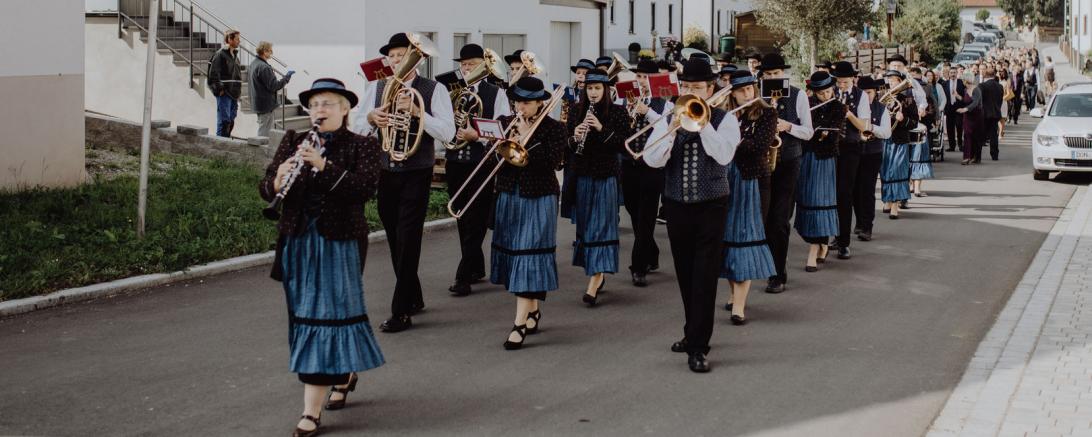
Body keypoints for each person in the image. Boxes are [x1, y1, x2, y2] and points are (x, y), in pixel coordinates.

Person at [259, 78, 385, 437]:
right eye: (314, 105)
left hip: (339, 241)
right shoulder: (292, 141)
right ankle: (343, 373)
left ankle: (310, 412)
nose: (320, 111)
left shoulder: (362, 146)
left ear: (345, 109)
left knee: (326, 315)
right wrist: (278, 178)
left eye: (328, 103)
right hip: (298, 241)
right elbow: (267, 185)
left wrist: (323, 166)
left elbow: (363, 190)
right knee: (303, 316)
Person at [354, 32, 457, 333]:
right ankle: (413, 295)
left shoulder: (432, 89)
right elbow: (358, 128)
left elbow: (448, 133)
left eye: (403, 55)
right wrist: (372, 118)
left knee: (409, 238)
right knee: (394, 235)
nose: (397, 61)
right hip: (386, 171)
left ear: (416, 58)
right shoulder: (377, 86)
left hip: (417, 171)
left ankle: (401, 312)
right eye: (393, 56)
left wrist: (417, 113)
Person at [643, 57, 741, 373]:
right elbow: (652, 160)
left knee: (704, 275)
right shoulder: (669, 115)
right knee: (686, 273)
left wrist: (703, 124)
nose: (689, 92)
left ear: (710, 88)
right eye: (685, 86)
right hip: (676, 204)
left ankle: (698, 347)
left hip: (712, 204)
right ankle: (691, 332)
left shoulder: (726, 119)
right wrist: (671, 129)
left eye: (696, 87)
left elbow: (723, 155)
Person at [491, 76, 567, 350]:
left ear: (539, 103)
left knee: (528, 253)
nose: (520, 108)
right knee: (518, 256)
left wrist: (525, 140)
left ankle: (518, 324)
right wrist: (502, 142)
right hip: (510, 195)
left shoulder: (555, 129)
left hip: (540, 197)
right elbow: (492, 159)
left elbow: (552, 162)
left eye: (527, 103)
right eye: (518, 102)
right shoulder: (504, 122)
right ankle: (532, 311)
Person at [445, 43, 512, 297]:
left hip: (481, 162)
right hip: (456, 161)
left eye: (471, 64)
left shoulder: (495, 93)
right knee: (462, 216)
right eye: (463, 65)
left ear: (483, 67)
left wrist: (477, 135)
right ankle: (476, 265)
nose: (465, 69)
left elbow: (502, 129)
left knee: (477, 217)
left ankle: (463, 276)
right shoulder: (454, 92)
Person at [719, 70, 777, 325]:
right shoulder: (723, 115)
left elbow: (758, 146)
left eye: (750, 89)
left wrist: (729, 139)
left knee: (746, 238)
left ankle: (739, 306)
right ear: (732, 93)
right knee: (728, 239)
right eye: (742, 90)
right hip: (725, 181)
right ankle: (734, 293)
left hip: (753, 180)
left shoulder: (767, 114)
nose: (747, 93)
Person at [567, 69, 628, 306]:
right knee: (585, 225)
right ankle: (596, 271)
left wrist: (601, 129)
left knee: (601, 226)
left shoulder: (618, 112)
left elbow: (623, 144)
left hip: (606, 175)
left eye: (597, 88)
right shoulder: (575, 111)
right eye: (589, 88)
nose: (593, 93)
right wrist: (575, 135)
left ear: (606, 90)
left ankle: (594, 280)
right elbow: (567, 146)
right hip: (582, 174)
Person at [758, 52, 814, 294]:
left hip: (789, 160)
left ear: (784, 74)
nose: (772, 77)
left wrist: (787, 126)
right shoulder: (757, 95)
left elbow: (808, 132)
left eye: (776, 74)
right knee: (764, 218)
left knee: (780, 219)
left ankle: (777, 273)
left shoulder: (798, 94)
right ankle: (762, 265)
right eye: (768, 74)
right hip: (761, 162)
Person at [622, 59, 672, 287]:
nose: (640, 81)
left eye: (645, 77)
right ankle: (650, 252)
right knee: (633, 211)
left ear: (654, 80)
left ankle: (638, 266)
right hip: (629, 163)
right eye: (638, 77)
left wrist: (647, 112)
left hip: (653, 166)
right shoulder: (625, 98)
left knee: (646, 216)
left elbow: (667, 128)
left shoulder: (666, 103)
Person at [795, 71, 844, 271]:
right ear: (814, 93)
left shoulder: (839, 107)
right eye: (821, 93)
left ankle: (814, 251)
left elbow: (834, 136)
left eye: (828, 91)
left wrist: (822, 133)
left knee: (820, 201)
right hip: (807, 157)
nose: (825, 96)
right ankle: (822, 242)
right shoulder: (807, 104)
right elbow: (802, 131)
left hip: (825, 160)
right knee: (806, 200)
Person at [830, 61, 870, 260]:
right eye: (839, 82)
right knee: (829, 195)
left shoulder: (861, 96)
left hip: (850, 148)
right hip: (829, 148)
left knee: (844, 195)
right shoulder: (831, 92)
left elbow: (863, 126)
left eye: (845, 82)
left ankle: (843, 242)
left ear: (853, 79)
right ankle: (833, 235)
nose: (841, 86)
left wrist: (847, 113)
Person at [853, 76, 892, 242]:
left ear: (875, 92)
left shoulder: (881, 109)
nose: (866, 95)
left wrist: (869, 128)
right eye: (862, 92)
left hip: (873, 153)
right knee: (854, 190)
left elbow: (886, 132)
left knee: (867, 190)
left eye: (869, 92)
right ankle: (860, 221)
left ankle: (867, 226)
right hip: (854, 151)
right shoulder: (853, 107)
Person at [879, 70, 917, 219]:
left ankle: (895, 204)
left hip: (900, 140)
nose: (891, 83)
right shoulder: (881, 99)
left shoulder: (907, 100)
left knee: (897, 172)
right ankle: (887, 200)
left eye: (895, 80)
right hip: (885, 140)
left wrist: (903, 119)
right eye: (890, 80)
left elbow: (914, 122)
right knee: (885, 171)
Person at [249, 41, 295, 137]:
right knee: (264, 132)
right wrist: (287, 77)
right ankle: (261, 151)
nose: (271, 53)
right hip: (266, 105)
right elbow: (274, 86)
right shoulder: (264, 67)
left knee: (264, 129)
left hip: (259, 103)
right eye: (270, 51)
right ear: (264, 51)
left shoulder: (254, 63)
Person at [208, 29, 242, 138]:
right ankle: (220, 146)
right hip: (225, 93)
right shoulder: (220, 55)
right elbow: (213, 74)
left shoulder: (235, 56)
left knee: (231, 120)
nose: (239, 41)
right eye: (237, 39)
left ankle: (225, 141)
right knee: (224, 122)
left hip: (234, 93)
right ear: (229, 39)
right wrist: (220, 90)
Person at [978, 67, 1004, 161]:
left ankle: (978, 155)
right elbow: (1000, 100)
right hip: (995, 113)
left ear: (985, 75)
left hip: (984, 114)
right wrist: (997, 108)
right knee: (994, 135)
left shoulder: (982, 86)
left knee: (981, 135)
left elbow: (979, 100)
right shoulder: (999, 86)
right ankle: (994, 155)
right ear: (994, 75)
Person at [940, 68, 966, 152]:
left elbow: (965, 95)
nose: (953, 74)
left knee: (959, 126)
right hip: (949, 108)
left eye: (954, 72)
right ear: (949, 74)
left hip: (959, 108)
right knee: (950, 128)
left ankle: (960, 145)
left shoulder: (961, 83)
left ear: (957, 73)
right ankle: (952, 146)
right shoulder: (945, 84)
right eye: (951, 73)